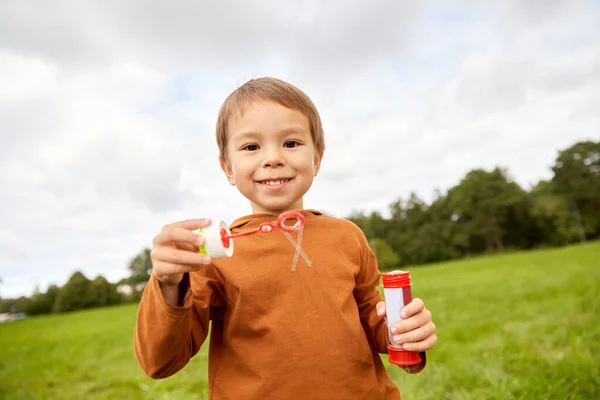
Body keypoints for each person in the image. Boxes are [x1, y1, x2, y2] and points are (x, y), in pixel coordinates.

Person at [134, 77, 437, 399]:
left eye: (291, 143)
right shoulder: (215, 257)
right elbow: (160, 362)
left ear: (317, 158)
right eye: (251, 147)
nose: (273, 158)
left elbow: (370, 315)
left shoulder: (347, 236)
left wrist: (402, 333)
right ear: (228, 168)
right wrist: (167, 284)